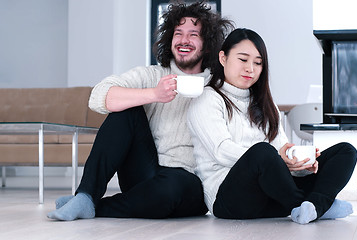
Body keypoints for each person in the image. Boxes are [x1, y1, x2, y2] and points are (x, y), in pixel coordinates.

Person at [47, 2, 233, 221]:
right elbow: (98, 97)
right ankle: (86, 195)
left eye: (193, 34)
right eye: (178, 33)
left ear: (208, 45)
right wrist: (153, 94)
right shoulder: (152, 75)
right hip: (145, 172)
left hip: (189, 182)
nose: (184, 40)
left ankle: (94, 205)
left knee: (171, 187)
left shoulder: (219, 86)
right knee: (125, 110)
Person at [187, 28, 357, 225]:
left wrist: (300, 165)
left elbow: (281, 150)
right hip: (230, 200)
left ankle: (312, 207)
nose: (250, 68)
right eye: (243, 60)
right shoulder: (207, 99)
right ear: (223, 58)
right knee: (262, 152)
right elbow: (221, 151)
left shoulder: (265, 103)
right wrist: (277, 159)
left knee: (346, 151)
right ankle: (316, 205)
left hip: (272, 197)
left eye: (258, 63)